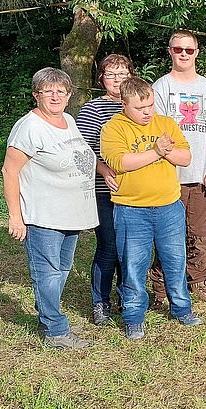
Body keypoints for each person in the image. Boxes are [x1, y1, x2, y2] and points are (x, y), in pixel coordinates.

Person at [2, 68, 98, 349]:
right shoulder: (29, 127)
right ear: (36, 95)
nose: (55, 96)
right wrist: (15, 216)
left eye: (61, 91)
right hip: (44, 215)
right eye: (48, 91)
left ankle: (48, 313)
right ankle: (55, 330)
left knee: (63, 268)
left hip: (70, 214)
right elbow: (9, 171)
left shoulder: (68, 120)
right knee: (48, 272)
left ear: (69, 95)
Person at [101, 77, 203, 340]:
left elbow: (185, 157)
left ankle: (182, 309)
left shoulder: (166, 123)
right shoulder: (113, 128)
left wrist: (163, 151)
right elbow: (121, 162)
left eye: (150, 105)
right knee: (133, 265)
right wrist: (158, 151)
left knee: (175, 261)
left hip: (169, 206)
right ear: (124, 105)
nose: (147, 112)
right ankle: (134, 317)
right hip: (131, 209)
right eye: (140, 108)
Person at [150, 29, 206, 303]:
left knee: (201, 235)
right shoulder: (161, 87)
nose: (183, 54)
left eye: (189, 50)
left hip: (200, 175)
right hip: (169, 176)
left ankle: (198, 281)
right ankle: (161, 288)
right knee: (168, 235)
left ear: (197, 53)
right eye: (178, 49)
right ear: (170, 51)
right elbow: (156, 132)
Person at [76, 53, 135, 326]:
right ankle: (100, 301)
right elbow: (83, 150)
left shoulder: (137, 106)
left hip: (135, 190)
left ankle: (127, 296)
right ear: (101, 78)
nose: (117, 79)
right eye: (110, 74)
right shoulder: (93, 109)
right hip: (105, 190)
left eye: (122, 74)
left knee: (130, 246)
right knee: (109, 245)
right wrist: (103, 170)